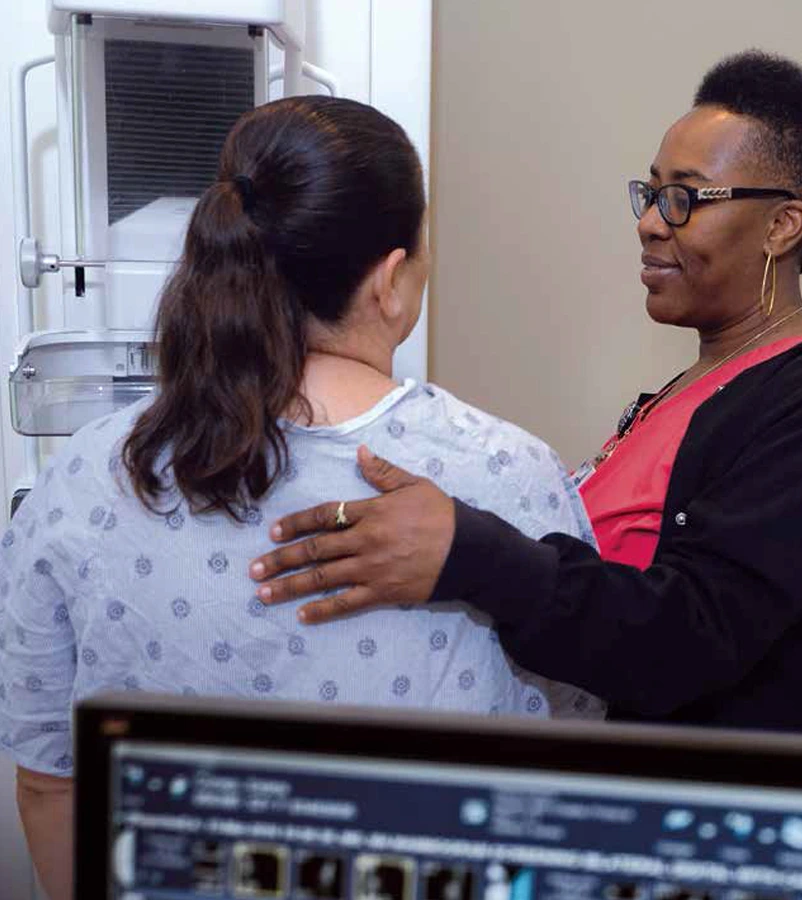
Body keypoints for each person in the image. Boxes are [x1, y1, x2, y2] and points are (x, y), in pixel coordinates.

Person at [0, 96, 603, 900]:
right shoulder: (508, 475)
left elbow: (49, 782)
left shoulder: (88, 476)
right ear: (392, 279)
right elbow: (574, 766)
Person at [249, 51, 802, 738]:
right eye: (649, 194)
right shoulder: (696, 389)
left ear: (782, 226)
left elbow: (688, 641)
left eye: (683, 198)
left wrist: (469, 552)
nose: (650, 222)